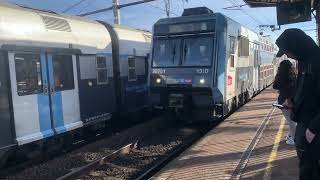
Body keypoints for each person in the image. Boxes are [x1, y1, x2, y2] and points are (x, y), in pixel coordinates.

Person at [276, 28, 320, 180]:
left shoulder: (317, 61)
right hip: (305, 129)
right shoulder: (304, 61)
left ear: (297, 46)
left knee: (312, 171)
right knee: (306, 169)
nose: (287, 55)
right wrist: (292, 101)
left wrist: (312, 130)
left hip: (313, 133)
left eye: (287, 51)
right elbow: (305, 90)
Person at [273, 60, 297, 145]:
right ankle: (291, 136)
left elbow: (275, 86)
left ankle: (294, 139)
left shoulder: (282, 76)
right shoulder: (293, 75)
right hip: (291, 101)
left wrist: (278, 73)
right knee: (291, 120)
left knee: (291, 121)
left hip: (285, 102)